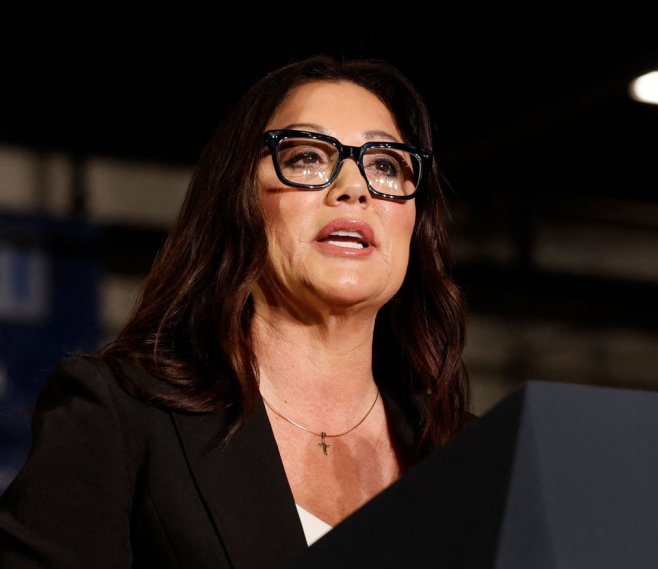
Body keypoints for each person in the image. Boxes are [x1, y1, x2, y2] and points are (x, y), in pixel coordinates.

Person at [0, 53, 472, 568]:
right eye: (307, 157)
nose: (354, 187)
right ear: (236, 198)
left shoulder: (469, 454)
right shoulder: (120, 414)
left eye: (385, 164)